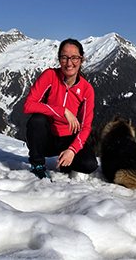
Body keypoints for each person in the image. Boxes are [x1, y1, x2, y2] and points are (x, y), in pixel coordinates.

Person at [23, 38, 98, 179]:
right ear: (59, 60)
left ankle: (66, 162)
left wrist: (72, 149)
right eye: (64, 58)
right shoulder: (50, 76)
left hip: (69, 139)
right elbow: (28, 106)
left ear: (81, 60)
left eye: (74, 58)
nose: (69, 63)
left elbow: (86, 126)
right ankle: (37, 165)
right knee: (36, 121)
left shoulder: (86, 89)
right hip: (47, 137)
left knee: (89, 164)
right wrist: (62, 111)